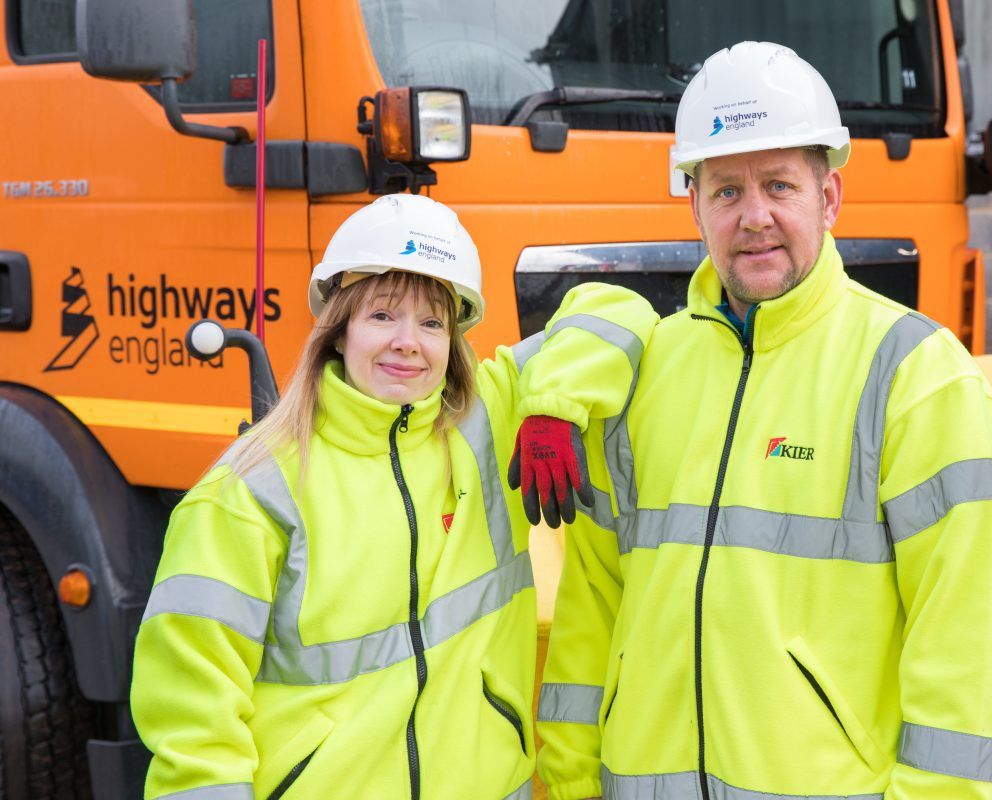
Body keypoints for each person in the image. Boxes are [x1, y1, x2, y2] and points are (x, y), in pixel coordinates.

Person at [533, 42, 992, 800]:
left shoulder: (917, 377)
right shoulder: (648, 371)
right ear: (693, 205)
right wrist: (567, 785)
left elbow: (962, 646)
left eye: (780, 185)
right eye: (725, 191)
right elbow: (591, 613)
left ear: (829, 199)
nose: (753, 217)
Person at [130, 194, 656, 800]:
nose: (409, 342)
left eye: (432, 322)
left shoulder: (493, 418)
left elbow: (617, 309)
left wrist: (552, 409)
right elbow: (193, 718)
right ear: (338, 329)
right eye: (383, 316)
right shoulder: (251, 492)